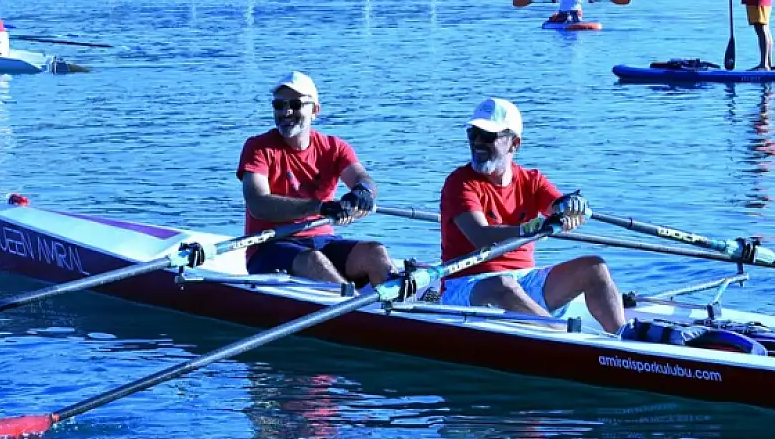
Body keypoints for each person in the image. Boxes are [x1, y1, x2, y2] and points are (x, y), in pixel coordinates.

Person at [436, 98, 624, 333]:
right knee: (502, 284)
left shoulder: (532, 180)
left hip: (525, 280)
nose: (477, 142)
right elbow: (481, 236)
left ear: (514, 144)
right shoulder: (460, 183)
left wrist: (573, 206)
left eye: (487, 136)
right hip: (467, 285)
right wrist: (530, 229)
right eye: (473, 134)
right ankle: (561, 338)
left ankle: (624, 341)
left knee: (595, 267)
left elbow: (557, 204)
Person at [237, 72, 391, 286]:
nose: (286, 112)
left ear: (315, 110)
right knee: (314, 260)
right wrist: (320, 208)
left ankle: (399, 309)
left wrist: (363, 191)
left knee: (375, 252)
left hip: (323, 241)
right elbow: (258, 203)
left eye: (295, 104)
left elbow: (362, 177)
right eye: (279, 105)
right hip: (270, 246)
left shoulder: (334, 148)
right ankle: (356, 310)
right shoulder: (259, 148)